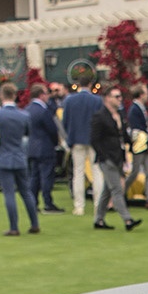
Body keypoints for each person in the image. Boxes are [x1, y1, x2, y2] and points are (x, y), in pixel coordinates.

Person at [0, 85, 39, 236]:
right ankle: (34, 223)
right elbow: (28, 133)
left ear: (2, 96)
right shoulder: (23, 115)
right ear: (15, 95)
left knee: (9, 193)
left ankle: (14, 227)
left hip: (3, 157)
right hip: (19, 157)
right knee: (26, 192)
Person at [88, 85, 139, 231]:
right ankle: (127, 219)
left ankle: (99, 220)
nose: (119, 99)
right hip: (107, 158)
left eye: (120, 97)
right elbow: (94, 139)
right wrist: (103, 155)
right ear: (107, 99)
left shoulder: (119, 115)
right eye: (116, 97)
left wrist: (134, 143)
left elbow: (123, 136)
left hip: (118, 156)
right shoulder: (100, 116)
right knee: (117, 189)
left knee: (107, 190)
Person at [61, 77, 104, 217]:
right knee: (97, 172)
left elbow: (65, 121)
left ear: (78, 85)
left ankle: (79, 206)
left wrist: (69, 136)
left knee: (78, 173)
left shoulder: (69, 100)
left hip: (76, 139)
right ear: (90, 85)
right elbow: (101, 119)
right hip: (94, 139)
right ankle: (98, 205)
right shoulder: (97, 100)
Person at [25, 82, 63, 211]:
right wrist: (55, 142)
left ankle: (33, 203)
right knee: (46, 176)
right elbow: (52, 129)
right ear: (41, 95)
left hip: (32, 147)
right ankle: (48, 202)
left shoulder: (27, 109)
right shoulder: (43, 111)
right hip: (45, 147)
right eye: (46, 93)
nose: (48, 96)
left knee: (34, 177)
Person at [123, 85, 148, 208]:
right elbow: (139, 129)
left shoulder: (141, 108)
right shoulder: (134, 109)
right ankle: (121, 192)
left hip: (144, 142)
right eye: (146, 93)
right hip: (139, 144)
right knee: (135, 171)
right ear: (141, 95)